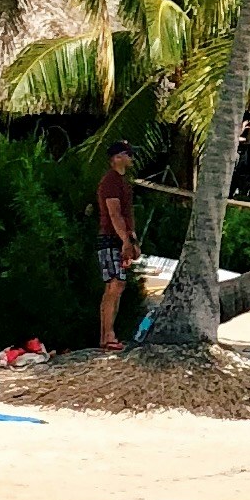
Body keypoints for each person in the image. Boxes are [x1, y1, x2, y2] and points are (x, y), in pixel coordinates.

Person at [95, 147, 140, 353]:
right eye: (128, 154)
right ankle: (107, 335)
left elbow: (127, 214)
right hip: (110, 238)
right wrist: (125, 241)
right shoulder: (110, 181)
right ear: (117, 158)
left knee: (118, 285)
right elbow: (114, 214)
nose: (131, 158)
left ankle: (109, 334)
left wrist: (133, 240)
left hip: (120, 238)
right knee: (114, 284)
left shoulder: (123, 182)